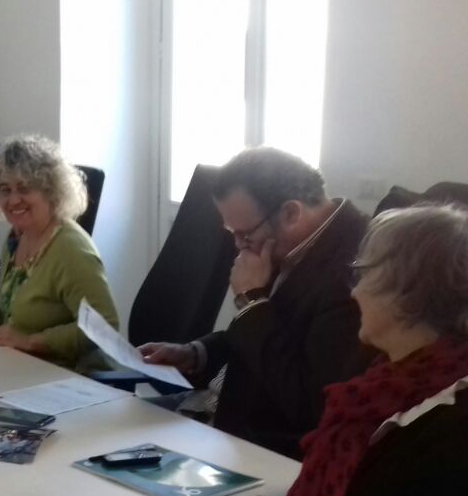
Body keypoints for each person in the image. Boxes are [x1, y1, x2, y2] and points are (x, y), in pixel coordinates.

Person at [85, 205, 468, 496]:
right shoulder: (389, 382)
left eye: (364, 274)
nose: (354, 291)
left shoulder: (446, 439)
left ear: (407, 294)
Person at [138, 147, 371, 458]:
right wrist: (196, 354)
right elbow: (259, 337)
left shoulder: (354, 272)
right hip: (213, 406)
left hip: (261, 445)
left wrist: (251, 301)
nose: (238, 246)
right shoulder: (293, 243)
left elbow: (309, 402)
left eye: (245, 234)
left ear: (291, 213)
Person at [0, 135, 117, 367]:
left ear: (51, 190)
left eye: (24, 188)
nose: (13, 200)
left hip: (68, 375)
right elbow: (18, 307)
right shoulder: (17, 237)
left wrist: (29, 341)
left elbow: (104, 327)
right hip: (20, 365)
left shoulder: (71, 249)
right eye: (5, 190)